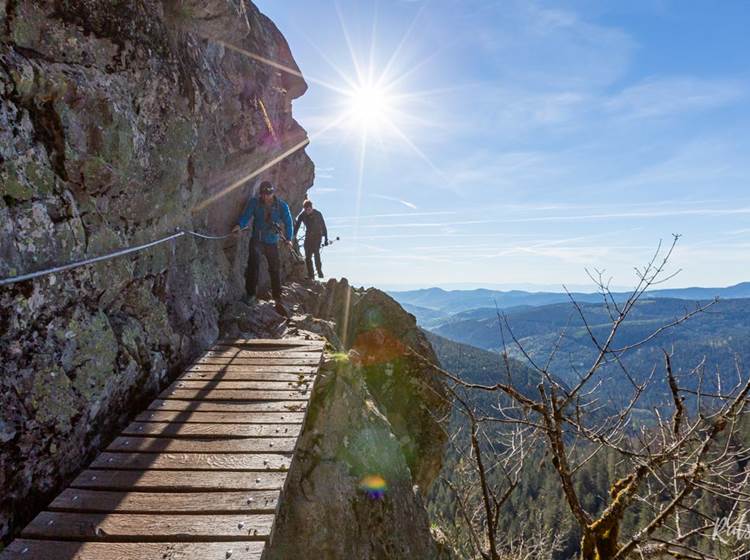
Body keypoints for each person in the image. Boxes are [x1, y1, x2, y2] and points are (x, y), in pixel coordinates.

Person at [233, 181, 293, 316]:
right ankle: (250, 295)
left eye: (269, 194)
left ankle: (277, 297)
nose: (266, 197)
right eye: (264, 194)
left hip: (272, 241)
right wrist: (239, 225)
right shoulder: (254, 202)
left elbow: (288, 223)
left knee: (274, 268)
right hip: (257, 239)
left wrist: (289, 238)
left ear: (273, 192)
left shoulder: (282, 206)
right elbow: (246, 216)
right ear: (261, 194)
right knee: (253, 266)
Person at [293, 199, 328, 279]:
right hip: (308, 236)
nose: (307, 211)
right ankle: (311, 275)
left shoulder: (318, 214)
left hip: (317, 236)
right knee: (308, 256)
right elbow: (297, 225)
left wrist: (326, 239)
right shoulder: (303, 215)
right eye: (306, 210)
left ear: (311, 208)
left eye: (309, 210)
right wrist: (293, 235)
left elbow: (324, 226)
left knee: (316, 252)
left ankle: (319, 271)